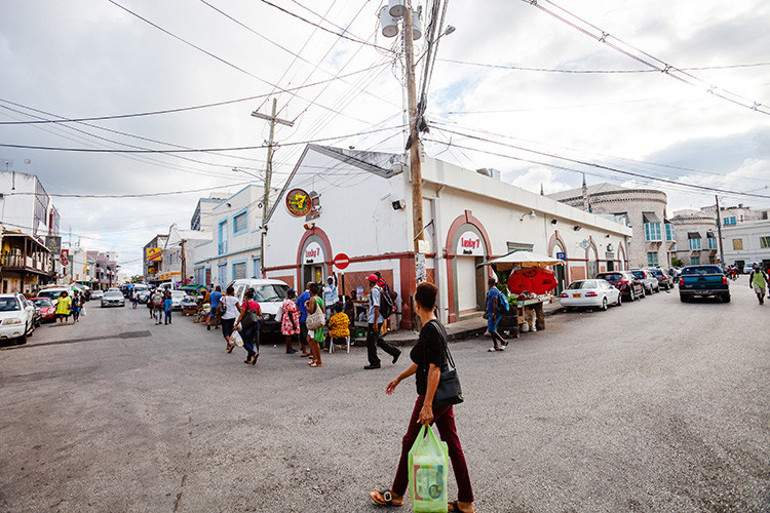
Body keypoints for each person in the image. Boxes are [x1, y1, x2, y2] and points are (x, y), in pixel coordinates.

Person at [369, 281, 475, 513]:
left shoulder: (429, 330)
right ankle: (466, 501)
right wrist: (399, 378)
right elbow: (422, 362)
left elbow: (435, 369)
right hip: (443, 396)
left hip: (433, 396)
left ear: (417, 305)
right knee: (452, 443)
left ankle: (396, 494)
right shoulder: (436, 326)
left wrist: (427, 405)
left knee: (410, 441)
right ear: (434, 303)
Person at [364, 274, 401, 370]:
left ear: (371, 282)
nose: (368, 283)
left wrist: (375, 322)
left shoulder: (374, 291)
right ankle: (394, 352)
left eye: (368, 281)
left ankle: (375, 362)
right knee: (378, 340)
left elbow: (376, 307)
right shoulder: (379, 289)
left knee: (371, 342)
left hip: (375, 319)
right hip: (377, 318)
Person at [235, 288, 262, 365]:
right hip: (255, 324)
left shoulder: (245, 304)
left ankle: (254, 354)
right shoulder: (256, 304)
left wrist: (236, 324)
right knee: (250, 341)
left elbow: (241, 314)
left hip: (247, 325)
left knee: (244, 341)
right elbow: (260, 314)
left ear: (246, 296)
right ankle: (249, 358)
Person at [305, 283, 324, 367]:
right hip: (318, 322)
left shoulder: (312, 299)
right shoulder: (320, 299)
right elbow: (323, 310)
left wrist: (306, 306)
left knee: (314, 341)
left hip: (314, 323)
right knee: (309, 339)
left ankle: (318, 361)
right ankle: (314, 358)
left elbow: (311, 310)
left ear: (311, 291)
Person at [485, 277, 507, 352]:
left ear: (489, 283)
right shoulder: (493, 290)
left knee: (491, 329)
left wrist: (494, 314)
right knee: (492, 329)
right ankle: (496, 345)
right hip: (492, 313)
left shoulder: (493, 291)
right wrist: (487, 312)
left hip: (495, 313)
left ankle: (503, 341)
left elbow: (495, 302)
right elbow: (490, 303)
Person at [220, 285, 240, 353]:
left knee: (225, 333)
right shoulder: (235, 299)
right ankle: (228, 345)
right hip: (232, 317)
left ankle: (231, 344)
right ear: (231, 292)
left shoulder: (223, 298)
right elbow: (239, 308)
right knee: (230, 332)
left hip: (225, 317)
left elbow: (218, 307)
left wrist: (217, 313)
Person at [295, 282, 312, 357]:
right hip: (309, 318)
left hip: (302, 318)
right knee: (311, 335)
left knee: (303, 335)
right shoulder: (311, 296)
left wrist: (299, 312)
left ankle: (304, 351)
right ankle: (312, 352)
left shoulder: (301, 295)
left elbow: (297, 305)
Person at [280, 289, 300, 354]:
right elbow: (290, 313)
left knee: (288, 334)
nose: (294, 295)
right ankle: (288, 349)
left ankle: (290, 348)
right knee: (289, 334)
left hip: (286, 318)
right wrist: (293, 324)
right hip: (289, 319)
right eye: (293, 294)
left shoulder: (285, 300)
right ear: (290, 294)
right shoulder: (290, 302)